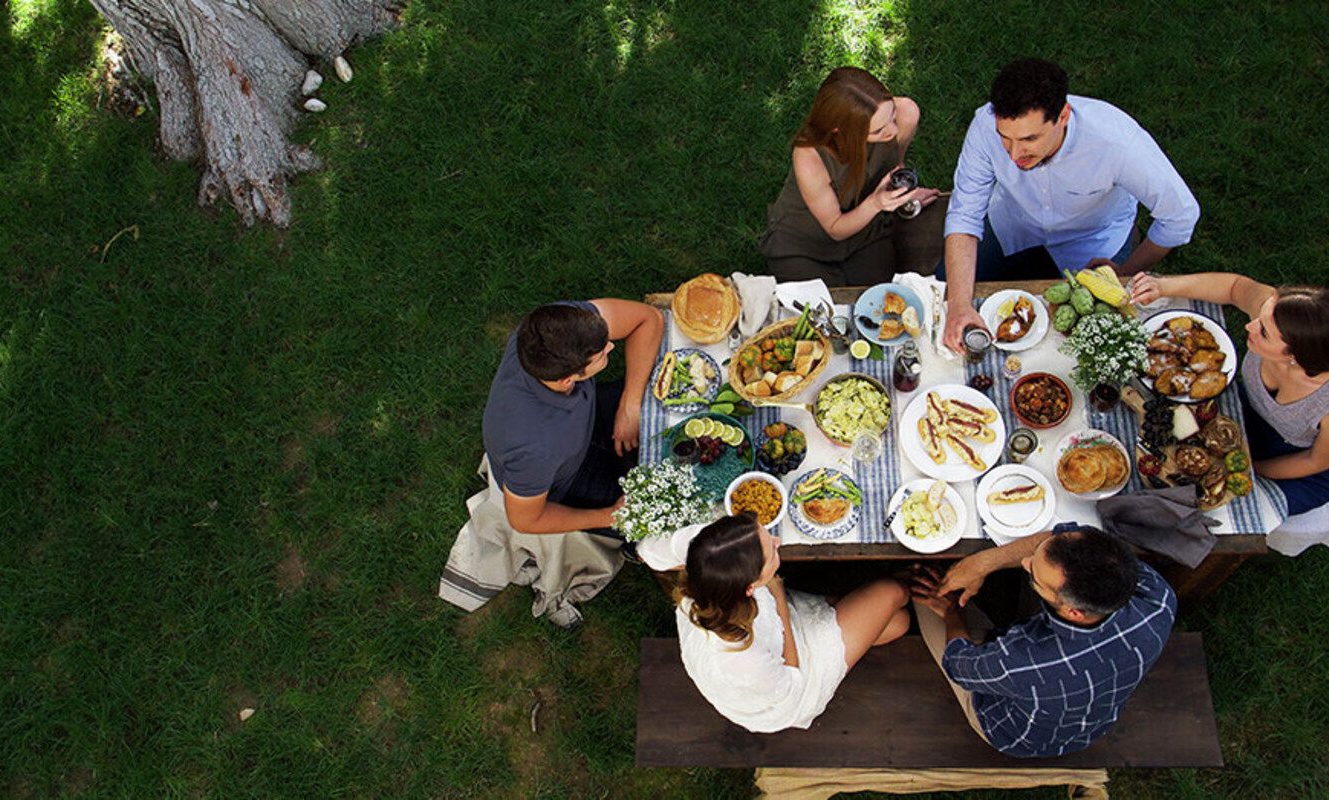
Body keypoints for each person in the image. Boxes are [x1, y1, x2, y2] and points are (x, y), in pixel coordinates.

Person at [939, 58, 1201, 351]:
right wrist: (960, 306)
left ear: (1063, 116)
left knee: (1086, 340)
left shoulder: (1117, 143)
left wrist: (1126, 271)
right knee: (941, 295)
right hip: (1014, 221)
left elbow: (1180, 215)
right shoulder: (984, 126)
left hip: (1093, 238)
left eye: (1029, 139)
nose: (1014, 154)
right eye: (1005, 139)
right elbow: (964, 214)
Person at [910, 525, 1177, 757]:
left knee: (927, 594)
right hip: (1093, 718)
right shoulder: (1158, 598)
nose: (1025, 562)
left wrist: (951, 613)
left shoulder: (1022, 660)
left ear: (1074, 612)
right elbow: (1069, 535)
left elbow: (959, 665)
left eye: (1034, 576)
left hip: (1016, 735)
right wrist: (984, 563)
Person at [1130, 272, 1329, 519]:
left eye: (1264, 332)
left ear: (1295, 356)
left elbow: (1316, 461)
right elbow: (1235, 287)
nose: (1250, 325)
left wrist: (1249, 468)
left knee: (1219, 509)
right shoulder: (1278, 314)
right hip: (1245, 414)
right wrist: (1162, 286)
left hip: (1295, 461)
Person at [669, 513, 910, 733]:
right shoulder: (741, 655)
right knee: (894, 595)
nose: (778, 542)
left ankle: (873, 600)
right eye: (771, 551)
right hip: (792, 680)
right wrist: (779, 593)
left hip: (773, 633)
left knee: (897, 622)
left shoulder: (709, 566)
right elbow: (792, 677)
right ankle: (911, 585)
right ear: (751, 587)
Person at [482, 299, 662, 535]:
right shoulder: (533, 449)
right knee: (658, 519)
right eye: (601, 354)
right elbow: (525, 520)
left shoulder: (551, 330)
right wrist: (610, 515)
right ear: (567, 380)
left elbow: (649, 318)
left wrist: (630, 406)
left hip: (586, 414)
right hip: (570, 477)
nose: (611, 347)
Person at [759, 66, 941, 285]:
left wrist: (903, 197)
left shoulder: (906, 115)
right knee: (824, 306)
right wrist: (876, 204)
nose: (892, 132)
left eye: (891, 118)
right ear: (840, 130)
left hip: (866, 230)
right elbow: (835, 228)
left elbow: (893, 166)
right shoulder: (810, 156)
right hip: (805, 241)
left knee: (879, 296)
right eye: (878, 131)